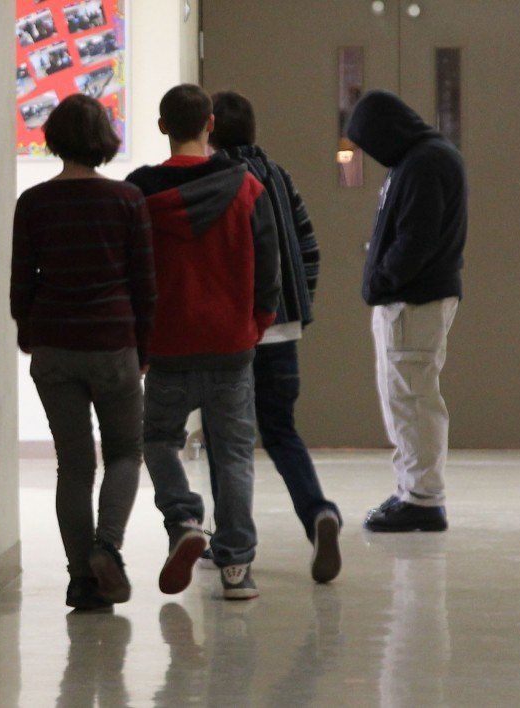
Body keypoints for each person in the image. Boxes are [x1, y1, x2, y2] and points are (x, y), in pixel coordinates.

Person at [127, 84, 280, 600]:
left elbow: (131, 273)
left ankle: (184, 518)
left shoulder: (140, 194)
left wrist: (138, 339)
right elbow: (268, 265)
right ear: (210, 124)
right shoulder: (247, 189)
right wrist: (257, 323)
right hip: (230, 344)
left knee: (157, 440)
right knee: (233, 454)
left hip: (168, 347)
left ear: (162, 126)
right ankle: (236, 569)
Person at [12, 94, 155, 611]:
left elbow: (21, 282)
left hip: (54, 345)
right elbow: (145, 284)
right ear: (104, 139)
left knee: (72, 465)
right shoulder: (127, 200)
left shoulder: (33, 202)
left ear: (53, 139)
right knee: (124, 452)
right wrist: (145, 346)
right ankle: (107, 549)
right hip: (114, 340)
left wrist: (30, 335)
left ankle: (81, 581)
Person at [204, 91, 342, 583]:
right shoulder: (279, 177)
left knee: (226, 438)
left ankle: (229, 541)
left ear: (210, 129)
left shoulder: (213, 178)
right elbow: (309, 249)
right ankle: (319, 514)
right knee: (281, 430)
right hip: (282, 327)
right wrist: (297, 310)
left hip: (233, 332)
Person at [345, 90, 467, 532]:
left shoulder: (425, 162)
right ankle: (412, 491)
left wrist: (382, 281)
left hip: (414, 301)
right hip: (409, 301)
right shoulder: (419, 159)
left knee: (412, 399)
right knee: (404, 397)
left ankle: (422, 499)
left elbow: (416, 239)